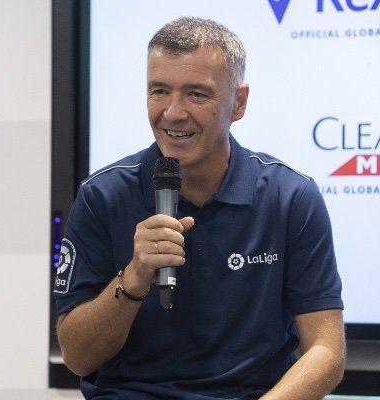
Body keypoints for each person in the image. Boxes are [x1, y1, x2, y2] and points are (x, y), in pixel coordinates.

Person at [54, 17, 345, 400]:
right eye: (159, 91)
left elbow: (326, 351)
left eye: (197, 94)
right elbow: (77, 357)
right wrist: (136, 274)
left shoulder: (291, 197)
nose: (173, 113)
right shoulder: (102, 195)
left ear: (238, 102)